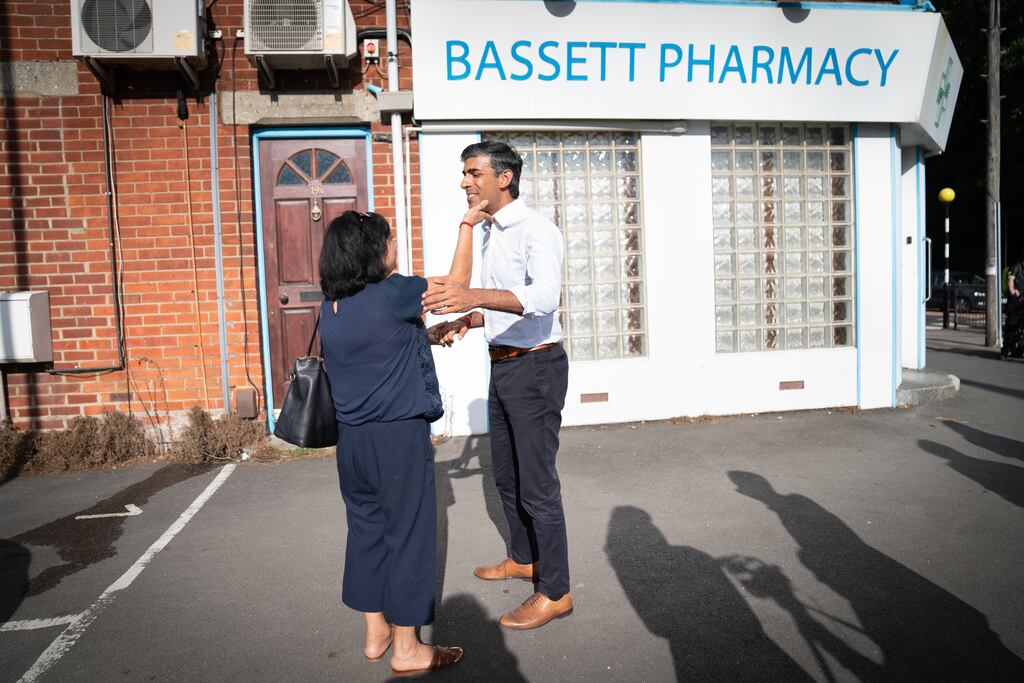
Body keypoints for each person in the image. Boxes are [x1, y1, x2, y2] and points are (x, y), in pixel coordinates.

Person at [318, 206, 487, 676]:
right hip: (397, 437)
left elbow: (374, 349)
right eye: (390, 240)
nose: (396, 247)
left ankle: (376, 634)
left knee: (367, 534)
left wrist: (425, 337)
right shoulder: (395, 292)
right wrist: (468, 223)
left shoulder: (331, 304)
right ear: (374, 250)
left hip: (352, 444)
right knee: (408, 537)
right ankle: (408, 649)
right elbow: (456, 284)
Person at [423, 141, 573, 630]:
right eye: (464, 175)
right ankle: (524, 558)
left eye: (472, 173)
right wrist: (468, 317)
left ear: (503, 178)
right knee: (506, 477)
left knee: (539, 487)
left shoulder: (536, 228)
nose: (465, 182)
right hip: (504, 365)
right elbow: (500, 301)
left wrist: (472, 295)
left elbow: (544, 297)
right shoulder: (489, 233)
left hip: (536, 367)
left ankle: (555, 591)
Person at [1001, 247, 1024, 359]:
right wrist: (1012, 290)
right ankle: (1005, 350)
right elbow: (1010, 280)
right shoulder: (1016, 266)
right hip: (1015, 300)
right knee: (1011, 324)